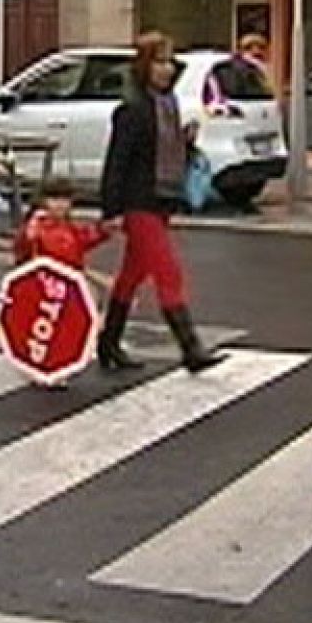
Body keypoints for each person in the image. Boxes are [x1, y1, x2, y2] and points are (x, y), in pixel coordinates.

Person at [97, 31, 225, 375]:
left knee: (131, 275)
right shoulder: (133, 109)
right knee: (168, 272)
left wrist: (184, 142)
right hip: (140, 202)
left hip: (161, 199)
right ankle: (190, 348)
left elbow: (163, 153)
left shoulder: (168, 105)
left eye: (169, 61)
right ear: (143, 65)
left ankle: (108, 342)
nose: (166, 69)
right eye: (158, 61)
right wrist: (110, 210)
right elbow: (117, 162)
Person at [12, 178, 113, 270]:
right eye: (55, 199)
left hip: (68, 277)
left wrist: (102, 229)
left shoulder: (69, 227)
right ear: (43, 201)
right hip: (42, 279)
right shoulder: (36, 224)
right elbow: (22, 248)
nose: (60, 204)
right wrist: (30, 231)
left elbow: (83, 237)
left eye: (65, 200)